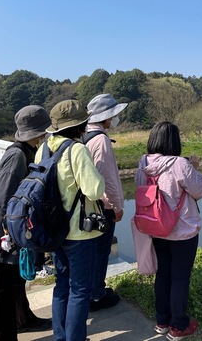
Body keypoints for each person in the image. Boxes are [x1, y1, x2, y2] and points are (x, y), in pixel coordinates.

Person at [0, 105, 53, 341]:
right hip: (0, 230)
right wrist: (6, 235)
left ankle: (23, 319)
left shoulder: (26, 151)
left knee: (15, 280)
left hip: (10, 227)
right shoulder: (17, 155)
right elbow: (2, 198)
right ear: (39, 133)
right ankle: (0, 337)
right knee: (0, 287)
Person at [135, 121, 202, 341]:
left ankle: (162, 321)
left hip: (155, 227)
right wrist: (195, 168)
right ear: (174, 141)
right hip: (182, 230)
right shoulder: (180, 164)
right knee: (180, 278)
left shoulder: (143, 162)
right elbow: (200, 190)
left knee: (163, 274)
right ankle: (178, 326)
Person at [40, 99, 105, 341]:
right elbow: (95, 190)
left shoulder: (44, 148)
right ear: (81, 125)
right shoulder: (76, 150)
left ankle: (60, 337)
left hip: (55, 231)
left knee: (62, 285)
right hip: (78, 232)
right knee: (80, 290)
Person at [84, 93, 128, 311]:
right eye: (113, 115)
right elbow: (107, 179)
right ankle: (97, 295)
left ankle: (95, 289)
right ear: (106, 116)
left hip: (89, 207)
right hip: (103, 207)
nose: (114, 119)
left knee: (94, 251)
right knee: (102, 251)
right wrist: (116, 207)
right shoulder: (101, 140)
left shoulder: (85, 136)